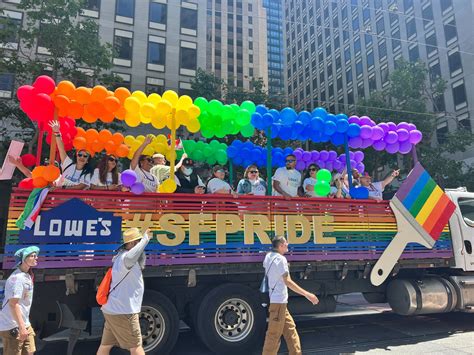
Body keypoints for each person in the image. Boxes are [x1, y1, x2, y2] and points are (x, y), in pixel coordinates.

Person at [97, 228, 150, 355]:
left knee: (105, 346)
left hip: (112, 310)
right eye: (137, 242)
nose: (141, 250)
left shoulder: (120, 258)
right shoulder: (126, 258)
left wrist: (142, 241)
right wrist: (145, 239)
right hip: (124, 312)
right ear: (132, 244)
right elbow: (133, 255)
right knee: (136, 347)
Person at [262, 236, 318, 355]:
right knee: (273, 336)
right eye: (286, 243)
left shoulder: (268, 257)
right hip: (278, 303)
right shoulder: (281, 260)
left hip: (279, 302)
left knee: (291, 331)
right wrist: (307, 294)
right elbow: (287, 281)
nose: (288, 244)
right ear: (281, 245)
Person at [0, 246, 39, 355]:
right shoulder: (17, 278)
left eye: (36, 255)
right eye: (32, 256)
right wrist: (21, 327)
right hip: (12, 325)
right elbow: (13, 304)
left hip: (23, 323)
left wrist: (25, 325)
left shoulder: (27, 275)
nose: (36, 258)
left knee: (30, 351)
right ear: (23, 260)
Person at [49, 120, 93, 190]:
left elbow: (81, 186)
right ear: (76, 156)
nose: (82, 157)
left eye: (85, 156)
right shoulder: (68, 164)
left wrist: (63, 187)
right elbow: (61, 149)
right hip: (59, 199)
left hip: (75, 199)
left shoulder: (88, 172)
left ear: (87, 160)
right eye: (80, 155)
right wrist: (57, 133)